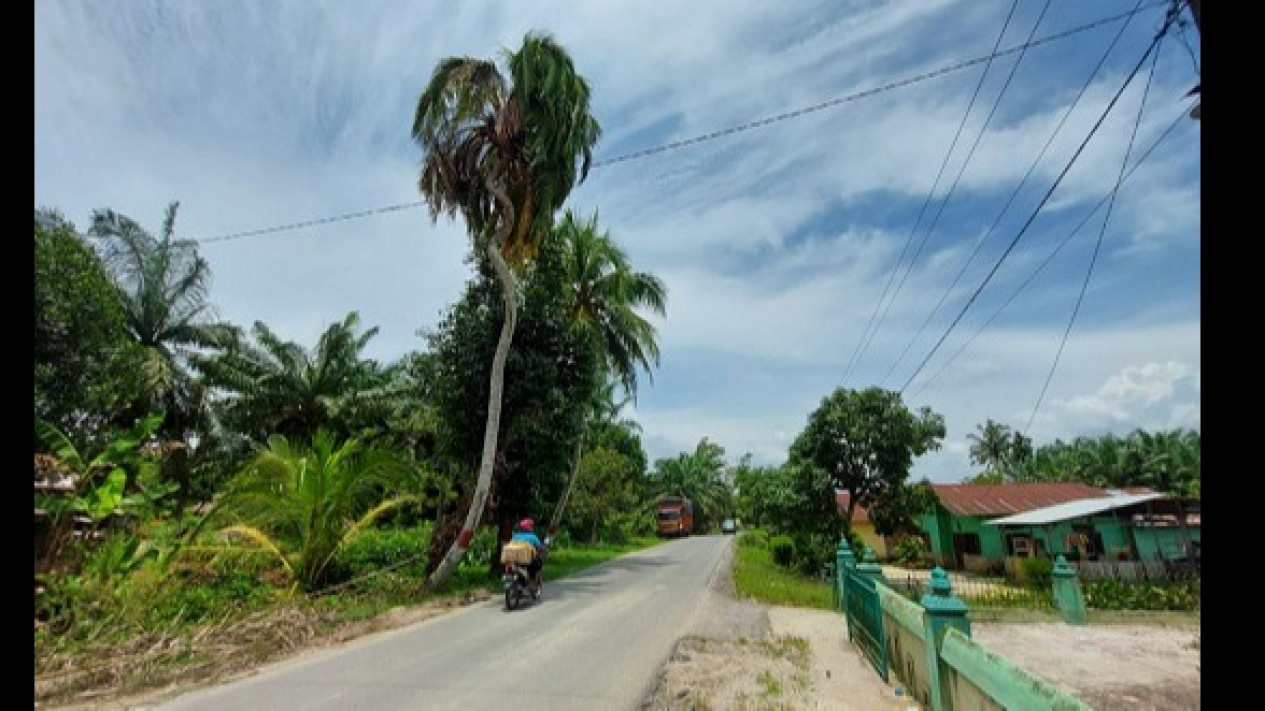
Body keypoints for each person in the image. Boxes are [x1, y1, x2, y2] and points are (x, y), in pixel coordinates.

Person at [511, 518, 547, 597]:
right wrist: (543, 550)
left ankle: (522, 584)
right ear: (529, 528)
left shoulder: (515, 536)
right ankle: (532, 584)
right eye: (531, 526)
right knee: (537, 567)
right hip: (529, 561)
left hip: (516, 560)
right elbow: (539, 547)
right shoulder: (533, 537)